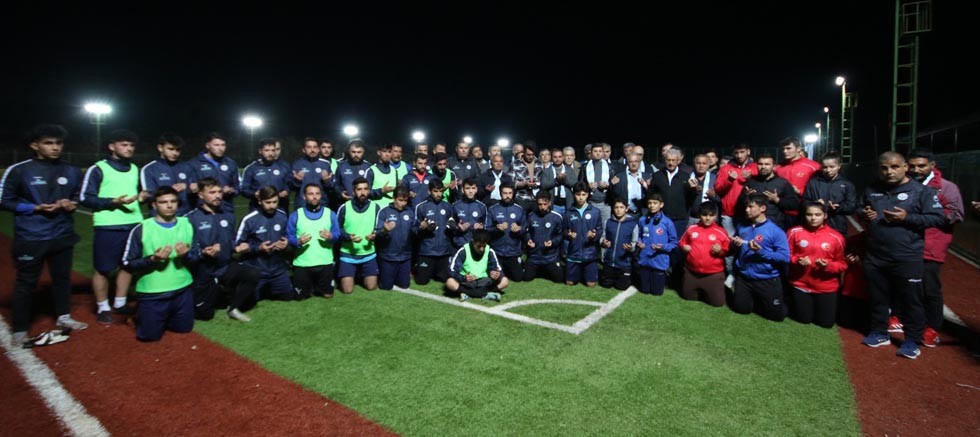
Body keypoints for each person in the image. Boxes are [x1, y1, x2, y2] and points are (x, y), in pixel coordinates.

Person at [2, 124, 89, 344]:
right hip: (32, 236)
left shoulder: (71, 170)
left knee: (62, 279)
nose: (55, 147)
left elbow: (79, 196)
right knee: (26, 282)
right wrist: (34, 208)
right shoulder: (19, 170)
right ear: (35, 145)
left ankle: (64, 317)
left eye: (58, 143)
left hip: (62, 233)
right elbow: (4, 201)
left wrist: (72, 203)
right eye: (48, 143)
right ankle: (20, 329)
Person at [859, 152, 945, 359]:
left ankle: (912, 340)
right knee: (878, 297)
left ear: (905, 167)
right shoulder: (872, 189)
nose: (889, 172)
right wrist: (863, 213)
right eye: (884, 168)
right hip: (876, 255)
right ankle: (880, 332)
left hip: (907, 256)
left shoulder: (922, 191)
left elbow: (938, 218)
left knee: (911, 300)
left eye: (894, 167)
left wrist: (907, 217)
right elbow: (860, 207)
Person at [81, 129, 149, 324]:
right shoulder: (98, 168)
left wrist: (143, 197)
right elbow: (85, 198)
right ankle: (103, 307)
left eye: (131, 145)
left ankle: (120, 303)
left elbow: (136, 195)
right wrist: (112, 202)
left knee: (128, 265)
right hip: (108, 226)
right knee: (103, 268)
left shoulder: (135, 168)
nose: (129, 148)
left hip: (134, 224)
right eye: (124, 145)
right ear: (112, 146)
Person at [906, 148, 964, 347]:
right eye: (912, 166)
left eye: (921, 166)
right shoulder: (905, 184)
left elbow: (957, 215)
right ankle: (906, 318)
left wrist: (930, 213)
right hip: (907, 244)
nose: (916, 170)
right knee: (905, 284)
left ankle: (932, 327)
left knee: (929, 288)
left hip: (931, 245)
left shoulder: (947, 187)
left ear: (932, 165)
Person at [121, 187, 194, 341]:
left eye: (173, 201)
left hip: (183, 289)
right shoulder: (141, 229)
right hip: (153, 292)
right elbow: (127, 263)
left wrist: (186, 255)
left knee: (184, 329)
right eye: (163, 202)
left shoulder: (187, 224)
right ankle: (139, 314)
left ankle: (159, 316)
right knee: (150, 337)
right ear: (154, 205)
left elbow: (197, 256)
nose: (169, 205)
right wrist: (152, 260)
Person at [184, 177, 259, 322]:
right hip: (204, 271)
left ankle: (233, 308)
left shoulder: (228, 216)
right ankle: (213, 293)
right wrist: (203, 253)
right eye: (212, 192)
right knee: (204, 315)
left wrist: (238, 246)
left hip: (225, 267)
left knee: (252, 273)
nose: (217, 195)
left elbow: (232, 241)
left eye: (219, 192)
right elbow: (187, 253)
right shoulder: (190, 219)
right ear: (200, 195)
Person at [730, 193, 791, 322]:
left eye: (751, 207)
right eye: (746, 207)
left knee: (777, 316)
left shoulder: (775, 231)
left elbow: (785, 257)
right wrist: (735, 244)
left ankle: (782, 299)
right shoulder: (742, 226)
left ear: (762, 208)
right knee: (741, 309)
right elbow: (736, 246)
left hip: (766, 278)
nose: (747, 210)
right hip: (744, 277)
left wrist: (761, 252)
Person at [786, 202, 847, 328]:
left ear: (825, 216)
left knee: (826, 323)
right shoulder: (794, 232)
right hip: (800, 285)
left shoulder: (837, 237)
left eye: (817, 215)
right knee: (804, 319)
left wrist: (827, 266)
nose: (813, 218)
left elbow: (842, 264)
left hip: (825, 287)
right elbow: (785, 255)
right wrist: (797, 261)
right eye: (809, 215)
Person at [235, 186, 295, 301]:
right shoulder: (249, 220)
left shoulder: (282, 216)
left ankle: (271, 286)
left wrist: (286, 243)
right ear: (259, 201)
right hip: (256, 269)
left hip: (277, 269)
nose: (272, 205)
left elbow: (288, 237)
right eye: (268, 202)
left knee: (288, 297)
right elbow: (237, 245)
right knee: (248, 301)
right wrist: (258, 248)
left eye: (275, 202)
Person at [287, 183, 341, 299]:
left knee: (328, 295)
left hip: (325, 263)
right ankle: (309, 284)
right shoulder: (295, 215)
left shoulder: (330, 214)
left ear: (321, 195)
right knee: (300, 297)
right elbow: (289, 238)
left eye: (317, 193)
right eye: (311, 194)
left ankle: (317, 285)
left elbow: (337, 235)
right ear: (304, 196)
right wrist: (298, 242)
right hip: (303, 264)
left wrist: (331, 236)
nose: (314, 197)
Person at [678, 202, 730, 307]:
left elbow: (728, 250)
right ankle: (701, 288)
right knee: (687, 296)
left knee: (717, 303)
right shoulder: (692, 228)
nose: (707, 218)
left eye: (711, 215)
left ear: (715, 216)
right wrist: (684, 247)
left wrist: (720, 250)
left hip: (713, 274)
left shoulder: (721, 231)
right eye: (704, 215)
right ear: (699, 215)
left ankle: (717, 287)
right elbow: (681, 242)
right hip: (692, 272)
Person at [336, 177, 381, 294]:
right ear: (353, 191)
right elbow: (336, 229)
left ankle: (360, 274)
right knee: (347, 290)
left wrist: (375, 235)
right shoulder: (344, 207)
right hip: (348, 254)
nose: (363, 192)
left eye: (365, 189)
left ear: (369, 190)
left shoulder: (375, 207)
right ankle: (353, 273)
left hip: (368, 253)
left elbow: (379, 228)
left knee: (371, 286)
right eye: (359, 189)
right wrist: (348, 237)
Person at [802, 152, 857, 236]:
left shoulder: (847, 184)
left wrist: (837, 207)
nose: (828, 170)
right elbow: (804, 202)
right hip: (815, 226)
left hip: (838, 226)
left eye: (832, 167)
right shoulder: (813, 182)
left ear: (839, 166)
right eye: (825, 167)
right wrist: (815, 204)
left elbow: (851, 207)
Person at [447, 229, 509, 302]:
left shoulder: (489, 251)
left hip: (484, 281)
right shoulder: (463, 251)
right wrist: (464, 278)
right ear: (473, 241)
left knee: (505, 281)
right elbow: (452, 270)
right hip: (467, 283)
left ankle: (467, 293)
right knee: (450, 282)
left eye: (484, 246)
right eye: (479, 246)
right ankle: (486, 294)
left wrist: (495, 274)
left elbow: (497, 269)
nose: (482, 249)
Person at [742, 153, 798, 231]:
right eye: (760, 164)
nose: (763, 167)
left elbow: (794, 204)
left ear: (774, 166)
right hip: (753, 225)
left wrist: (777, 200)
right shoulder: (751, 182)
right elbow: (739, 204)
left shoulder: (783, 183)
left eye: (767, 164)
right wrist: (746, 197)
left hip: (775, 225)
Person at [635, 194, 677, 296]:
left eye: (655, 203)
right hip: (645, 259)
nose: (652, 206)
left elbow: (674, 242)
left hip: (659, 260)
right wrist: (639, 242)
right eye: (650, 203)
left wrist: (663, 247)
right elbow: (638, 235)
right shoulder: (642, 220)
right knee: (644, 290)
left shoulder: (667, 222)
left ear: (661, 205)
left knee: (657, 292)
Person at [186, 132, 239, 214]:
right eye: (216, 145)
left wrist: (232, 191)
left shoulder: (231, 164)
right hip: (202, 211)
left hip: (225, 210)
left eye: (223, 145)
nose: (220, 148)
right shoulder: (193, 164)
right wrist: (193, 188)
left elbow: (237, 187)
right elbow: (189, 188)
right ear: (207, 145)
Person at [374, 186, 415, 290]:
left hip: (405, 257)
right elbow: (377, 233)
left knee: (404, 285)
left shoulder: (410, 212)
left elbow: (414, 231)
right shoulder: (384, 212)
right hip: (387, 257)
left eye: (405, 201)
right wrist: (385, 230)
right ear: (394, 198)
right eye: (400, 200)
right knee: (386, 287)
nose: (403, 203)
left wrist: (422, 227)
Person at [140, 132, 191, 216]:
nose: (175, 153)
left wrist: (187, 187)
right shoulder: (149, 169)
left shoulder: (186, 166)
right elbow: (148, 195)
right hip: (160, 217)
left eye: (178, 150)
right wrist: (169, 191)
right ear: (160, 148)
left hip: (185, 215)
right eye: (171, 149)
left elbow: (197, 188)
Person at [414, 179, 454, 284]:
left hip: (444, 252)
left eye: (440, 191)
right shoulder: (421, 207)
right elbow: (414, 230)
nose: (438, 194)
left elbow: (452, 225)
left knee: (445, 279)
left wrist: (454, 227)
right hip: (427, 251)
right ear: (429, 191)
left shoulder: (448, 206)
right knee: (421, 281)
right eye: (435, 191)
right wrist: (422, 228)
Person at [563, 182, 603, 287]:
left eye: (583, 194)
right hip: (573, 254)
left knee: (591, 284)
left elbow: (599, 230)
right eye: (578, 194)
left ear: (588, 195)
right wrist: (568, 235)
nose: (581, 198)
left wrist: (594, 235)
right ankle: (577, 272)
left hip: (589, 255)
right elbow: (564, 231)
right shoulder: (568, 213)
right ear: (574, 195)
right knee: (569, 283)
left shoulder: (595, 212)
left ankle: (585, 272)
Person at [487, 182, 526, 282]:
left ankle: (515, 265)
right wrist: (497, 230)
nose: (507, 196)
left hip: (513, 252)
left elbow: (525, 230)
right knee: (496, 278)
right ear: (500, 194)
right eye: (505, 193)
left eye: (510, 193)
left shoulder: (519, 209)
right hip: (497, 252)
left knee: (518, 278)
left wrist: (519, 230)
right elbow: (487, 230)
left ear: (513, 193)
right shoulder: (493, 209)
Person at [241, 138, 291, 212]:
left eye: (273, 150)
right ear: (260, 151)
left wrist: (286, 191)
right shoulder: (251, 169)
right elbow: (244, 189)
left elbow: (288, 185)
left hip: (279, 209)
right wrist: (254, 194)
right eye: (267, 150)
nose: (270, 153)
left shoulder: (283, 167)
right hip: (257, 209)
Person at [523, 192, 564, 282]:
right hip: (534, 257)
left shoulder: (557, 217)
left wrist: (553, 242)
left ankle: (545, 269)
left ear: (549, 203)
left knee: (559, 279)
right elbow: (526, 232)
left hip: (550, 258)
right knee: (526, 278)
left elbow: (561, 235)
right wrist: (528, 239)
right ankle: (539, 269)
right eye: (540, 204)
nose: (542, 207)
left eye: (545, 204)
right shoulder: (531, 216)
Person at [599, 198, 639, 290]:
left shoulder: (633, 224)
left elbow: (634, 243)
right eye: (616, 207)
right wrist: (603, 243)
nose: (618, 210)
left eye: (621, 207)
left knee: (621, 287)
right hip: (609, 262)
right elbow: (602, 238)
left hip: (624, 264)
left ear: (626, 208)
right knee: (606, 285)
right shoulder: (608, 222)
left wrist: (630, 247)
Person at [290, 138, 334, 210]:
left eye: (315, 147)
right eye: (309, 147)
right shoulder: (297, 164)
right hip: (302, 204)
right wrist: (297, 181)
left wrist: (326, 182)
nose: (312, 150)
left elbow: (331, 186)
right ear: (303, 150)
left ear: (318, 149)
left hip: (322, 204)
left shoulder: (325, 164)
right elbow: (291, 187)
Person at [579, 143, 613, 225]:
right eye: (595, 151)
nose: (598, 153)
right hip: (590, 202)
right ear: (591, 153)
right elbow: (580, 184)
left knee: (605, 227)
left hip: (605, 203)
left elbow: (614, 186)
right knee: (590, 226)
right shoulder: (585, 167)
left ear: (603, 153)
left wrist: (607, 185)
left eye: (600, 151)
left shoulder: (610, 167)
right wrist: (587, 186)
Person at [450, 178, 489, 249]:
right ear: (462, 190)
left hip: (476, 245)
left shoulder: (482, 206)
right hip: (460, 245)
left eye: (473, 188)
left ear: (476, 189)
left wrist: (481, 227)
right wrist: (458, 228)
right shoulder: (455, 206)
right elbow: (450, 225)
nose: (471, 191)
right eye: (467, 188)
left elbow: (487, 225)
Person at [686, 153, 720, 228]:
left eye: (704, 163)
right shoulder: (687, 177)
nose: (701, 166)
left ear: (708, 165)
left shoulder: (715, 178)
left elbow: (721, 199)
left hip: (708, 218)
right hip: (690, 218)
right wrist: (692, 191)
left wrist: (713, 196)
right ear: (694, 164)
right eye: (698, 163)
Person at [540, 147, 577, 213]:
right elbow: (543, 185)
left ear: (563, 157)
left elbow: (575, 184)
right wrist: (556, 180)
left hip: (567, 203)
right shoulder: (547, 171)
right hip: (553, 204)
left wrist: (564, 179)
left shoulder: (569, 169)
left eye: (560, 157)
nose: (557, 159)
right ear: (551, 158)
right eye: (555, 157)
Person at [509, 143, 542, 210]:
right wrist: (524, 184)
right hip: (521, 199)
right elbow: (510, 182)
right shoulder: (515, 163)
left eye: (533, 154)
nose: (531, 157)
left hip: (536, 198)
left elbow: (542, 180)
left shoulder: (539, 163)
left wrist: (538, 183)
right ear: (523, 153)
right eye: (528, 155)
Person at [366, 143, 398, 209]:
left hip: (391, 210)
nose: (387, 154)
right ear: (379, 152)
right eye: (384, 151)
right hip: (376, 209)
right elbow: (365, 192)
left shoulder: (394, 171)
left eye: (389, 152)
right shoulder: (371, 170)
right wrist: (381, 191)